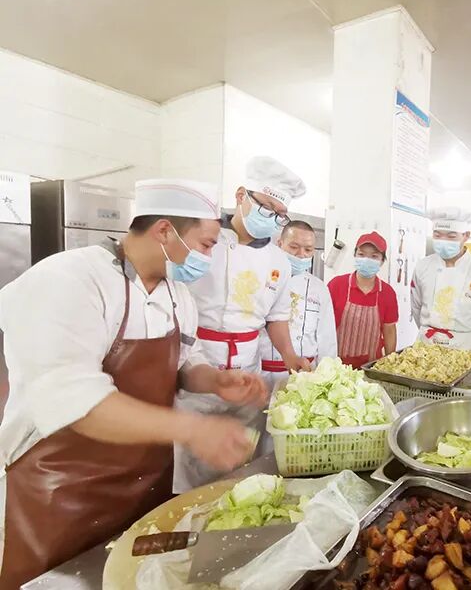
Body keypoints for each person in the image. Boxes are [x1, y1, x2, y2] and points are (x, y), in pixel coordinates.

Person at [0, 179, 267, 589]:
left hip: (144, 483)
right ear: (164, 230)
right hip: (61, 490)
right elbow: (76, 401)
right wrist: (193, 428)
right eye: (207, 244)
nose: (209, 258)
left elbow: (185, 361)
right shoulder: (69, 280)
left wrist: (215, 380)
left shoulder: (178, 294)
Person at [173, 156, 310, 492]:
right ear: (240, 196)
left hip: (248, 371)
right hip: (197, 362)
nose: (271, 219)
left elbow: (276, 317)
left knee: (240, 464)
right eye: (266, 208)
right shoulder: (205, 240)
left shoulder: (278, 261)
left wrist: (290, 356)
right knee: (191, 463)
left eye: (279, 214)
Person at [411, 207, 471, 350]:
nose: (443, 241)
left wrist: (470, 340)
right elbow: (416, 306)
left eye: (451, 236)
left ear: (466, 236)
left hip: (463, 346)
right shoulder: (423, 266)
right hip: (426, 343)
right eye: (437, 235)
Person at [261, 221, 337, 386]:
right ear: (280, 244)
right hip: (261, 374)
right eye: (294, 247)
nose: (301, 254)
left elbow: (327, 338)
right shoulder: (261, 278)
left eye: (308, 250)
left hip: (305, 376)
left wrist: (328, 377)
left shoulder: (319, 288)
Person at [328, 232, 398, 368]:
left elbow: (389, 331)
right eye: (361, 254)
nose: (367, 260)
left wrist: (391, 365)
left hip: (371, 367)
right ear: (355, 255)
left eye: (374, 256)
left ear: (382, 261)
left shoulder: (387, 293)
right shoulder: (336, 285)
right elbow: (323, 326)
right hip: (336, 366)